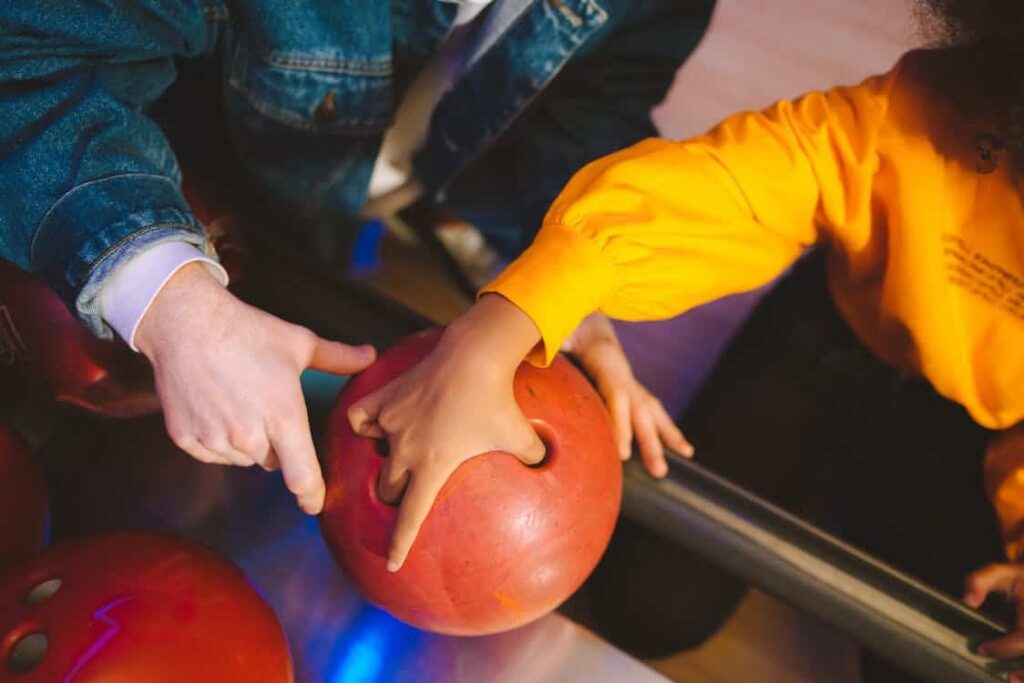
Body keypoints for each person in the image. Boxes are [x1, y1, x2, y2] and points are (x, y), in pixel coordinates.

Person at [348, 0, 1024, 678]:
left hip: (982, 434)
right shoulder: (937, 107)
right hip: (836, 333)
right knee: (647, 606)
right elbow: (734, 184)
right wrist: (506, 324)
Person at [0, 2, 712, 514]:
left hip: (327, 213)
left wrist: (563, 271)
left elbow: (588, 114)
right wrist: (165, 297)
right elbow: (24, 53)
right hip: (141, 190)